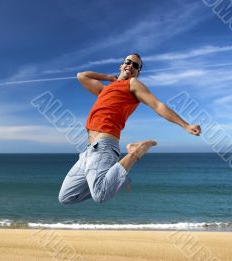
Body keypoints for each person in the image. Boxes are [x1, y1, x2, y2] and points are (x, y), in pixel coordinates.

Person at [58, 53, 202, 204]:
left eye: (136, 66)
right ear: (121, 65)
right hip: (89, 150)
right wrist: (109, 77)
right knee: (66, 197)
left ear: (138, 73)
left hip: (105, 145)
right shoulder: (104, 90)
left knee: (100, 195)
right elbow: (82, 76)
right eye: (128, 62)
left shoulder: (132, 84)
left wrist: (185, 125)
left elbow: (157, 105)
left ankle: (135, 152)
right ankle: (117, 179)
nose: (131, 66)